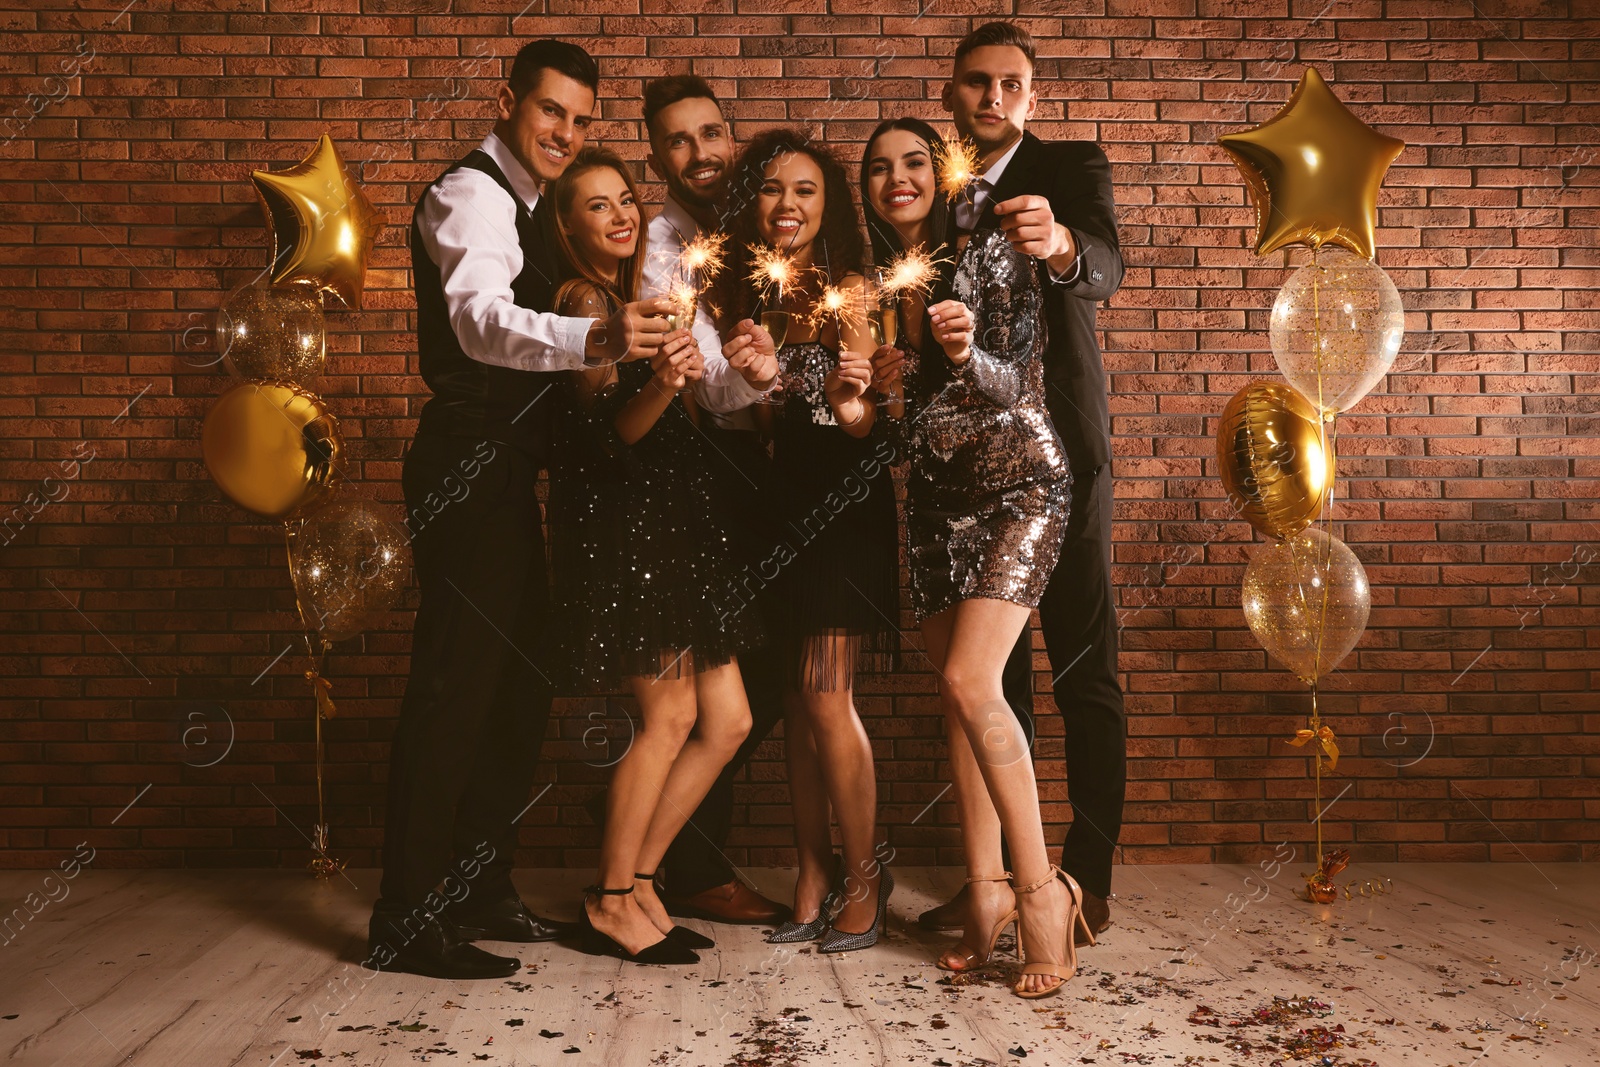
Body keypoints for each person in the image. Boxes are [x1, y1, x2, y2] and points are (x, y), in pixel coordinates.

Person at [369, 40, 675, 981]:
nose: (567, 134)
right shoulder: (470, 195)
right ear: (508, 102)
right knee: (457, 685)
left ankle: (477, 885)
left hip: (510, 471)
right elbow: (477, 321)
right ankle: (404, 917)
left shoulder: (535, 208)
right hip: (468, 461)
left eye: (582, 121)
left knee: (518, 679)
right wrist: (599, 333)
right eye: (552, 113)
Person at [848, 115, 1083, 999]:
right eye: (878, 168)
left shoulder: (987, 254)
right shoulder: (870, 283)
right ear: (866, 188)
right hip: (937, 504)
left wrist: (961, 349)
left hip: (1019, 485)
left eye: (914, 162)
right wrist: (790, 373)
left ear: (938, 175)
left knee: (970, 684)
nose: (897, 178)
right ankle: (982, 895)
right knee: (955, 699)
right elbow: (864, 399)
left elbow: (1014, 381)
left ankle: (1041, 892)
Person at [915, 20, 1127, 951]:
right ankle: (998, 878)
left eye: (1010, 84)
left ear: (1030, 97)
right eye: (975, 83)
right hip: (961, 472)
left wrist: (1062, 246)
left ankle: (1089, 877)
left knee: (1082, 661)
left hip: (1059, 458)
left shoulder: (1071, 166)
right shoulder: (932, 192)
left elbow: (1109, 268)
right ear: (953, 93)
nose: (992, 97)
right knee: (990, 678)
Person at [545, 146, 763, 965]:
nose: (620, 214)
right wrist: (666, 386)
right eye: (596, 206)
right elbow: (606, 439)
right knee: (670, 716)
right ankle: (610, 897)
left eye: (624, 200)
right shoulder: (581, 300)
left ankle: (637, 880)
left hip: (677, 532)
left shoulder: (641, 297)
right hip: (631, 534)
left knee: (728, 719)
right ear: (567, 228)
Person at [708, 128, 899, 953]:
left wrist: (851, 396)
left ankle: (864, 879)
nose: (788, 205)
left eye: (807, 190)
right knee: (793, 704)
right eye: (773, 190)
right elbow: (763, 422)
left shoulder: (853, 291)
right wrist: (753, 382)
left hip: (841, 510)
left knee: (827, 698)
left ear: (830, 205)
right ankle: (812, 871)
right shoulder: (750, 300)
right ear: (753, 203)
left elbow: (856, 425)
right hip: (778, 512)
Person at [620, 74, 788, 927]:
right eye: (679, 141)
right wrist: (772, 380)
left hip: (760, 471)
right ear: (657, 156)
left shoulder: (759, 221)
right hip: (702, 473)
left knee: (754, 680)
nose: (701, 153)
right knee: (724, 688)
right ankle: (681, 865)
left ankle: (661, 845)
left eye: (712, 133)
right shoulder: (663, 244)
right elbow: (710, 388)